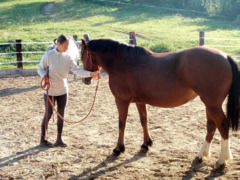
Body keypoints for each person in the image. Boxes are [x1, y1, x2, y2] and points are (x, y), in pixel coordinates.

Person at [37, 34, 100, 147]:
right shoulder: (48, 55)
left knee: (61, 114)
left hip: (63, 90)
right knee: (48, 114)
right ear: (59, 44)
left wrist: (91, 74)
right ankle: (43, 139)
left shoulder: (68, 57)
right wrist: (43, 75)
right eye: (65, 46)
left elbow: (77, 70)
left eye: (68, 46)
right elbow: (40, 67)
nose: (67, 48)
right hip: (50, 90)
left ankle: (59, 139)